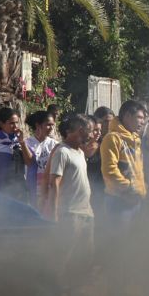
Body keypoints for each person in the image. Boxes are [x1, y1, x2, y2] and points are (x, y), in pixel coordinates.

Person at [46, 114, 97, 287]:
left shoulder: (80, 152)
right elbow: (54, 183)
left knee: (85, 255)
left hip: (85, 212)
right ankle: (53, 291)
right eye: (87, 131)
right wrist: (54, 213)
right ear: (77, 131)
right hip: (70, 213)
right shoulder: (62, 151)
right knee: (64, 255)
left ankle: (74, 291)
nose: (89, 135)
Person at [100, 99, 147, 228]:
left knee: (132, 243)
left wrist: (141, 189)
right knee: (119, 243)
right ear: (127, 116)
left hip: (135, 200)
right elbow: (109, 170)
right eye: (139, 117)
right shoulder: (113, 138)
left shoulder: (135, 139)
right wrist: (129, 189)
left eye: (144, 119)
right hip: (119, 201)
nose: (142, 122)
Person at [0, 107, 33, 201]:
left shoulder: (18, 141)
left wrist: (22, 142)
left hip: (19, 188)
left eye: (16, 123)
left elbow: (29, 162)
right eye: (11, 123)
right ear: (1, 124)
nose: (15, 126)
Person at [25, 110, 58, 212]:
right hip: (31, 188)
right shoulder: (27, 143)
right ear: (38, 125)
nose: (51, 128)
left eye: (53, 125)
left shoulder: (54, 144)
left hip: (48, 189)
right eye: (48, 125)